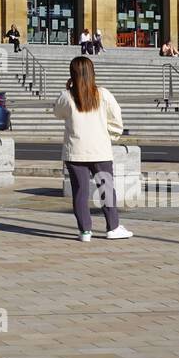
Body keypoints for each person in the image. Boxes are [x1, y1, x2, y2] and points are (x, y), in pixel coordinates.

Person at [52, 56, 132, 242]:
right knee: (107, 189)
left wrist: (68, 88)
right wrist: (111, 136)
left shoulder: (66, 96)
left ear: (72, 74)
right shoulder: (103, 94)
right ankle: (112, 227)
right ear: (92, 72)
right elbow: (116, 119)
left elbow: (57, 113)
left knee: (80, 192)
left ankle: (85, 231)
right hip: (100, 149)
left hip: (75, 150)